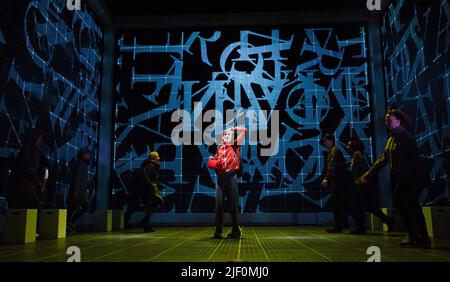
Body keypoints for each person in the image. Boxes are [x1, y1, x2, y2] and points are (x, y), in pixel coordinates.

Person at [359, 109, 431, 248]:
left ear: (398, 120)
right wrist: (368, 175)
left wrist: (418, 180)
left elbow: (414, 160)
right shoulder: (392, 139)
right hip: (403, 178)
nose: (387, 123)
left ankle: (416, 236)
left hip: (411, 178)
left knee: (406, 204)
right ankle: (418, 237)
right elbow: (383, 159)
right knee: (409, 206)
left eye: (389, 120)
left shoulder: (404, 136)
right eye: (386, 120)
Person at [346, 136, 395, 234]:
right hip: (364, 184)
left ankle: (361, 228)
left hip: (362, 185)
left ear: (354, 146)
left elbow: (363, 169)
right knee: (369, 207)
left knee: (356, 206)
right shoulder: (360, 154)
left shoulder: (357, 155)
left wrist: (362, 179)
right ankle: (388, 220)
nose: (347, 147)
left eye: (349, 145)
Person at [209, 127, 247, 239]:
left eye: (228, 135)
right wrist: (213, 159)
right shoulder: (219, 148)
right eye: (224, 134)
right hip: (220, 178)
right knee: (219, 205)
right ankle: (218, 231)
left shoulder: (235, 145)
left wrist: (232, 128)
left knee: (233, 205)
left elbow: (244, 130)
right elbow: (217, 160)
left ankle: (236, 230)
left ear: (232, 137)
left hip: (231, 176)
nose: (226, 136)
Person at [5, 128, 48, 209]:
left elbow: (45, 169)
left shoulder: (35, 153)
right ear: (35, 138)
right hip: (21, 189)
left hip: (24, 188)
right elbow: (28, 169)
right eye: (40, 138)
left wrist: (43, 182)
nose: (41, 141)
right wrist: (39, 183)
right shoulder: (27, 151)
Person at [321, 133, 354, 233]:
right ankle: (342, 224)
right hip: (340, 181)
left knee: (337, 204)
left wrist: (327, 178)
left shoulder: (334, 151)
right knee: (342, 204)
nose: (324, 143)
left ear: (330, 140)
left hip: (337, 182)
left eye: (325, 141)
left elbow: (333, 165)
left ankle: (338, 226)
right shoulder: (335, 151)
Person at [125, 152, 163, 232]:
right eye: (157, 156)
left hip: (147, 190)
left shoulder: (151, 165)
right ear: (153, 157)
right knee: (152, 205)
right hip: (147, 190)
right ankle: (145, 224)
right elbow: (147, 178)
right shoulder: (150, 166)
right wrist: (151, 185)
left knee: (151, 206)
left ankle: (144, 223)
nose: (159, 158)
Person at [67, 147, 93, 233]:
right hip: (78, 191)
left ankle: (69, 224)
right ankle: (69, 224)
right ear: (83, 154)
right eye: (88, 154)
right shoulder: (81, 164)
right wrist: (76, 192)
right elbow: (77, 179)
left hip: (79, 191)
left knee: (72, 208)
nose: (89, 156)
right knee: (81, 207)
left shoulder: (82, 164)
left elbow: (80, 179)